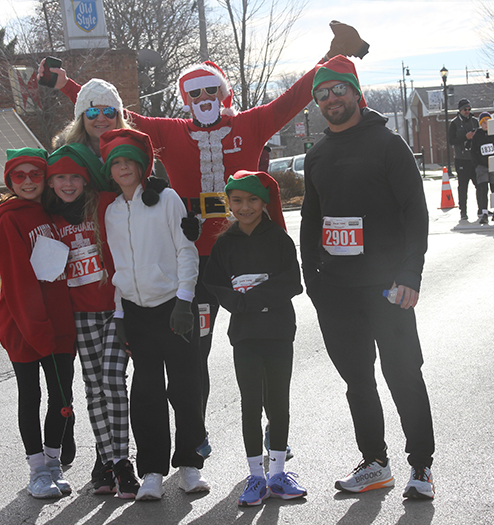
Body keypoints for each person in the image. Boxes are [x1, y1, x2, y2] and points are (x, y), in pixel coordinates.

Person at [38, 26, 369, 440]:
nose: (202, 99)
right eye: (193, 94)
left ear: (223, 93)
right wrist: (68, 85)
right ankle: (196, 437)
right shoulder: (170, 132)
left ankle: (275, 435)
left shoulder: (251, 123)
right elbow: (112, 117)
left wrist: (332, 54)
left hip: (251, 253)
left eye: (210, 91)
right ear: (185, 99)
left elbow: (295, 97)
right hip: (194, 261)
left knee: (263, 345)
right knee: (194, 352)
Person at [299, 55, 436, 500]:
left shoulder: (388, 145)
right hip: (337, 290)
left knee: (403, 373)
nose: (330, 99)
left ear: (356, 93)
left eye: (338, 90)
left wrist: (410, 275)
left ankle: (421, 467)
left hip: (388, 287)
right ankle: (375, 463)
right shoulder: (316, 154)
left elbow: (415, 213)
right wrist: (315, 284)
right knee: (358, 380)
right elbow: (310, 224)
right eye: (322, 93)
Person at [101, 128, 209, 500]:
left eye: (129, 160)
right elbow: (116, 265)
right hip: (135, 311)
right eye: (116, 163)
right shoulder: (113, 212)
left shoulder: (166, 200)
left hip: (173, 306)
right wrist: (119, 315)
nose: (123, 167)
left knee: (185, 386)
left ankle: (190, 464)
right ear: (110, 171)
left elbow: (186, 250)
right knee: (145, 391)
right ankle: (151, 471)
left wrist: (184, 299)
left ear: (142, 164)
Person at [202, 171, 306, 506]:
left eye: (252, 200)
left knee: (279, 401)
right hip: (244, 335)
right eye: (237, 201)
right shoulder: (224, 244)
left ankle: (277, 473)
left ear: (263, 203)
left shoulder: (278, 238)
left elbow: (293, 281)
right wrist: (238, 303)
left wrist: (257, 297)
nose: (244, 207)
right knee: (250, 403)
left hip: (277, 332)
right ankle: (255, 477)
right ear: (228, 203)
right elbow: (214, 283)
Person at [43, 143, 140, 498]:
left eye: (75, 177)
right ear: (51, 182)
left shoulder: (101, 204)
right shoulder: (49, 220)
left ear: (86, 180)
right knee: (94, 390)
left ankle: (122, 462)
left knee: (113, 382)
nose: (68, 183)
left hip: (114, 308)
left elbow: (131, 185)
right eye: (60, 178)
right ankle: (112, 462)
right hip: (79, 314)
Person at [0, 148, 76, 499]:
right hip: (25, 328)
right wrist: (38, 330)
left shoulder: (52, 212)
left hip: (59, 325)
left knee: (62, 396)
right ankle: (37, 469)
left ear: (45, 178)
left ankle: (54, 462)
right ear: (10, 181)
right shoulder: (9, 218)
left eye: (35, 175)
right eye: (19, 176)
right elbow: (17, 280)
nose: (28, 182)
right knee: (31, 395)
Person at [448, 98, 480, 221]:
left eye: (469, 109)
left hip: (473, 159)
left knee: (479, 185)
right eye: (465, 109)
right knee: (463, 186)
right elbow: (451, 141)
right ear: (460, 110)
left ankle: (482, 209)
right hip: (461, 159)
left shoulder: (475, 122)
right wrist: (465, 137)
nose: (467, 111)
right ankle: (463, 211)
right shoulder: (454, 123)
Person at [470, 112, 494, 225]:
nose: (486, 124)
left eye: (488, 121)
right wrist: (477, 165)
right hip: (482, 166)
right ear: (480, 124)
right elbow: (473, 151)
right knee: (483, 189)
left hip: (493, 165)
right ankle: (484, 212)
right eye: (483, 122)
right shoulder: (477, 135)